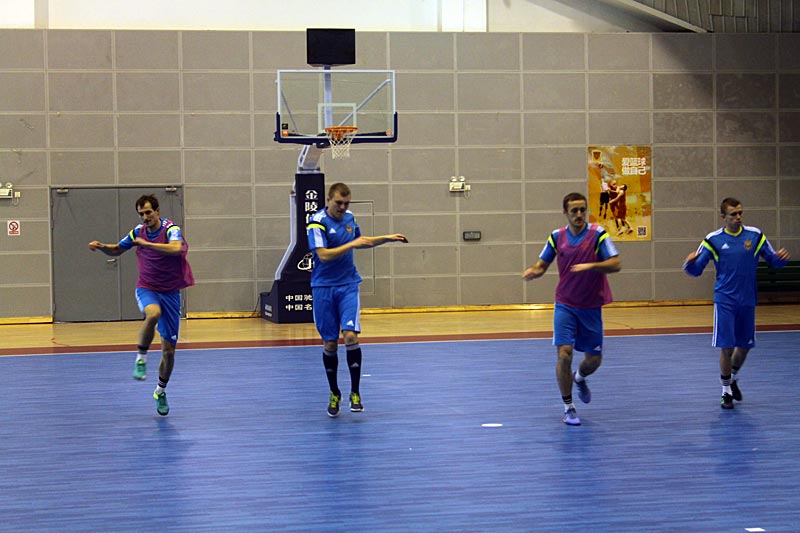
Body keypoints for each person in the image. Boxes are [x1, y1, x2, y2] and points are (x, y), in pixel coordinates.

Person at [307, 183, 408, 417]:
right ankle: (334, 392)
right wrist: (350, 244)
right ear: (328, 200)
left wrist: (386, 238)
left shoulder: (350, 218)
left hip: (348, 286)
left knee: (350, 336)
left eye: (346, 203)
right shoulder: (317, 222)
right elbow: (323, 255)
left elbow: (362, 241)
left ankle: (355, 392)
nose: (343, 207)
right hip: (323, 288)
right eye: (338, 203)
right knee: (330, 344)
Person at [89, 194, 194, 416]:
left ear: (157, 211)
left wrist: (147, 245)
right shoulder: (137, 231)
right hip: (147, 287)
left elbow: (176, 248)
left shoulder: (171, 229)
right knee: (152, 314)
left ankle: (160, 391)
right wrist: (102, 247)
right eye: (141, 214)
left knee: (169, 352)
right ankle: (141, 358)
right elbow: (117, 249)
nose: (145, 217)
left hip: (170, 293)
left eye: (148, 212)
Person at [522, 192, 621, 426]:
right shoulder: (557, 237)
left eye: (582, 210)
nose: (579, 214)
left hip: (591, 307)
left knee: (593, 360)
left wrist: (592, 266)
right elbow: (542, 264)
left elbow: (616, 263)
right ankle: (568, 407)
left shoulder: (598, 235)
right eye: (574, 210)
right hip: (565, 304)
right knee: (564, 353)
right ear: (565, 212)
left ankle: (580, 377)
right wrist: (535, 271)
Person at [683, 197, 790, 409]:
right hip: (725, 300)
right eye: (733, 214)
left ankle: (731, 379)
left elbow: (772, 261)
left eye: (740, 213)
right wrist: (688, 264)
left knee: (744, 346)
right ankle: (725, 392)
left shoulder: (755, 235)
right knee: (727, 347)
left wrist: (780, 258)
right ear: (723, 217)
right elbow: (696, 270)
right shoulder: (713, 240)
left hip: (747, 299)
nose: (738, 217)